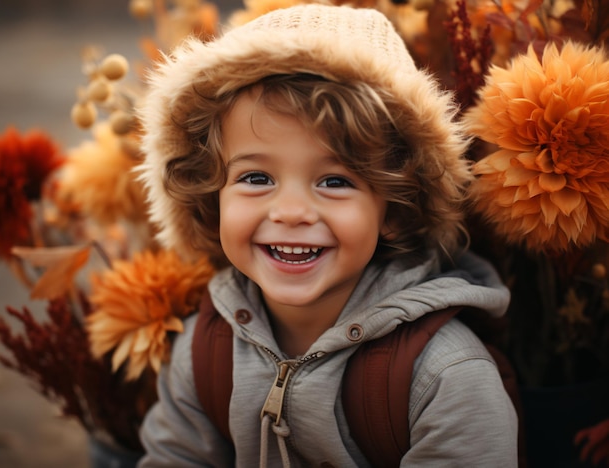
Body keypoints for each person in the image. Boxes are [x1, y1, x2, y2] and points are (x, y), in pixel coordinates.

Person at [137, 3, 518, 466]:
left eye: (335, 181)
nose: (292, 212)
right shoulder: (204, 354)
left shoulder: (443, 375)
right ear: (209, 196)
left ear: (393, 211)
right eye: (256, 178)